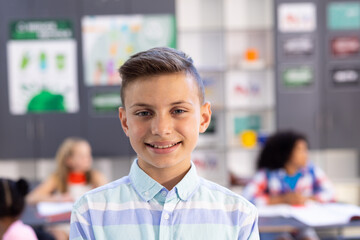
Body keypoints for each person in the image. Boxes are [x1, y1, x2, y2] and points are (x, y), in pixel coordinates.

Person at [70, 47, 259, 239]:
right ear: (125, 121)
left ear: (203, 118)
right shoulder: (90, 213)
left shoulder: (238, 216)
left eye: (178, 111)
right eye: (144, 113)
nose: (161, 129)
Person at [242, 130, 335, 240]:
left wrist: (306, 198)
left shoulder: (310, 170)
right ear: (286, 152)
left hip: (303, 225)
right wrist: (282, 199)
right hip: (275, 227)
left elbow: (330, 194)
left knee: (308, 237)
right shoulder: (267, 173)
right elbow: (247, 199)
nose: (305, 154)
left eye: (306, 150)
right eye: (300, 150)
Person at [27, 137, 107, 240]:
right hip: (62, 225)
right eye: (82, 156)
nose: (88, 159)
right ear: (69, 160)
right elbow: (32, 198)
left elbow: (108, 197)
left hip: (85, 223)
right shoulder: (57, 178)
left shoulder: (96, 177)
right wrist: (58, 199)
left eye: (88, 155)